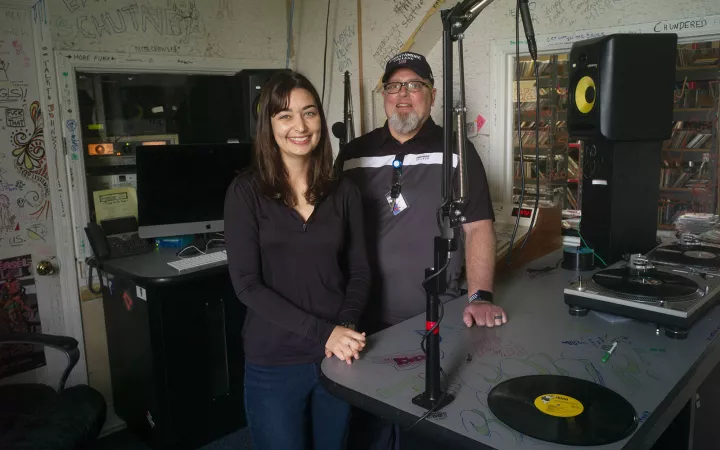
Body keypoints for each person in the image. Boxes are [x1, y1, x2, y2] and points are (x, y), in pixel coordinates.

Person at [335, 52, 507, 449]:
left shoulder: (456, 151)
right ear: (383, 96)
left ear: (431, 95)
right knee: (369, 422)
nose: (403, 96)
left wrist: (480, 296)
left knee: (426, 423)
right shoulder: (352, 155)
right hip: (363, 317)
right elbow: (333, 229)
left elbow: (478, 226)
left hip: (432, 317)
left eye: (415, 86)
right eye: (393, 86)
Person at [224, 70, 371, 450]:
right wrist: (327, 333)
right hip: (274, 361)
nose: (300, 126)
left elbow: (359, 272)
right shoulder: (245, 193)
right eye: (285, 115)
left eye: (309, 112)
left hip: (336, 357)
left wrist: (345, 330)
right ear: (268, 125)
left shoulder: (344, 192)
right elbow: (246, 285)